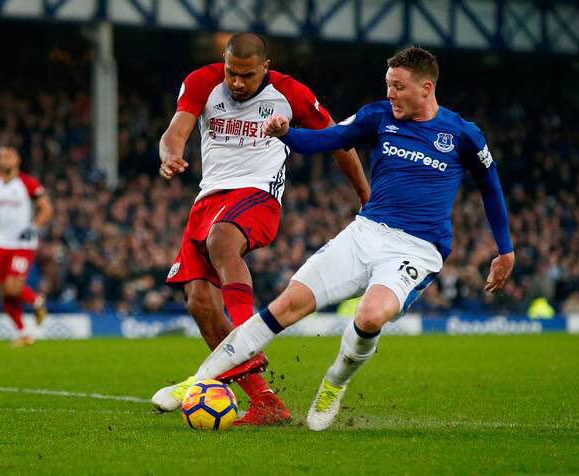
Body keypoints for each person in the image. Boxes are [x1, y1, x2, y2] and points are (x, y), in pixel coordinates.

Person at [170, 46, 515, 430]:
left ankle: (334, 383)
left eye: (398, 87)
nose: (390, 94)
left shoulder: (463, 135)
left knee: (369, 316)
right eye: (388, 85)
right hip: (365, 232)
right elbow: (329, 139)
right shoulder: (377, 116)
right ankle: (199, 379)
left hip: (417, 248)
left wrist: (505, 250)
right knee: (287, 303)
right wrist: (288, 135)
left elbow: (491, 187)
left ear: (425, 88)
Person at [152, 32, 370, 425]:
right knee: (200, 303)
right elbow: (176, 131)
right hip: (208, 200)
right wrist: (170, 155)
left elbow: (339, 141)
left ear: (265, 68)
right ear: (223, 62)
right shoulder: (201, 81)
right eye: (232, 73)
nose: (237, 82)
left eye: (247, 76)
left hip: (257, 195)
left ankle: (248, 329)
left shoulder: (291, 93)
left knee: (223, 241)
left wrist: (364, 194)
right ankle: (266, 402)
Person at [0, 145, 53, 346]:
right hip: (1, 243)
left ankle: (38, 301)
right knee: (5, 292)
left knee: (14, 286)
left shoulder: (27, 183)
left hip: (23, 243)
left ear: (17, 160)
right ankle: (23, 333)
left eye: (9, 156)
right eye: (2, 156)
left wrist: (34, 226)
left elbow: (46, 208)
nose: (5, 160)